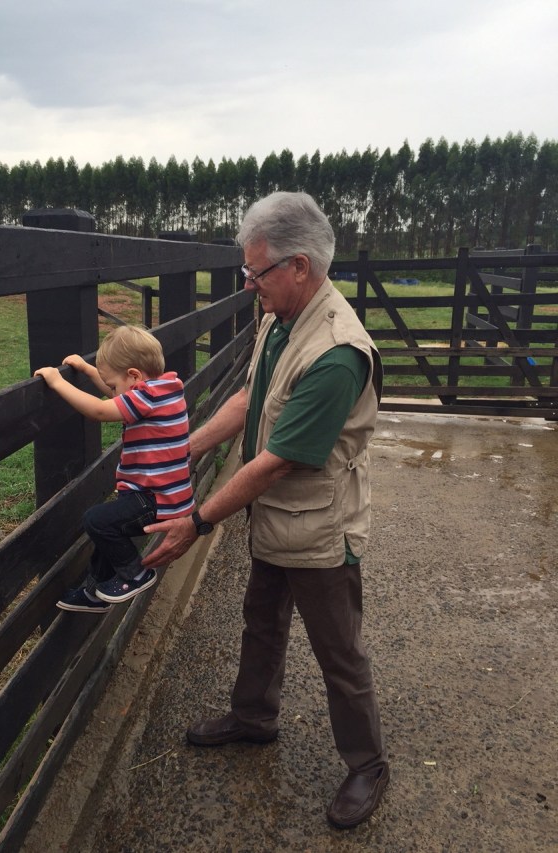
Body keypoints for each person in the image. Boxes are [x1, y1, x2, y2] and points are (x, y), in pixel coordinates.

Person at [143, 191, 388, 829]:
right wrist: (181, 450)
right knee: (261, 619)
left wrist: (196, 521)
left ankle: (367, 764)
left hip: (318, 526)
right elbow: (253, 397)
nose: (250, 284)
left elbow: (276, 458)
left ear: (299, 266)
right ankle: (255, 718)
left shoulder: (336, 353)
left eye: (256, 273)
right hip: (276, 514)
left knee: (339, 650)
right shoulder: (282, 318)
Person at [34, 324, 194, 613]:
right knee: (106, 534)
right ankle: (94, 592)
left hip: (155, 499)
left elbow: (99, 410)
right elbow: (118, 392)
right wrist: (86, 369)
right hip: (166, 495)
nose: (112, 393)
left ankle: (136, 574)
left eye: (113, 386)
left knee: (97, 520)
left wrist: (58, 382)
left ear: (134, 376)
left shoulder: (146, 397)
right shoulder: (165, 389)